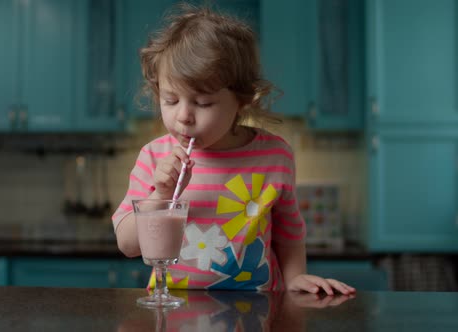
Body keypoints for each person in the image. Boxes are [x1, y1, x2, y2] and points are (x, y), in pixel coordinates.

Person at [112, 4, 355, 295]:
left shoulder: (275, 157)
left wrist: (294, 279)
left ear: (242, 100)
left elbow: (289, 234)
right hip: (175, 309)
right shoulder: (154, 157)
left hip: (258, 310)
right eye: (171, 100)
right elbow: (127, 245)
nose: (184, 116)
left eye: (203, 103)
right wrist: (160, 195)